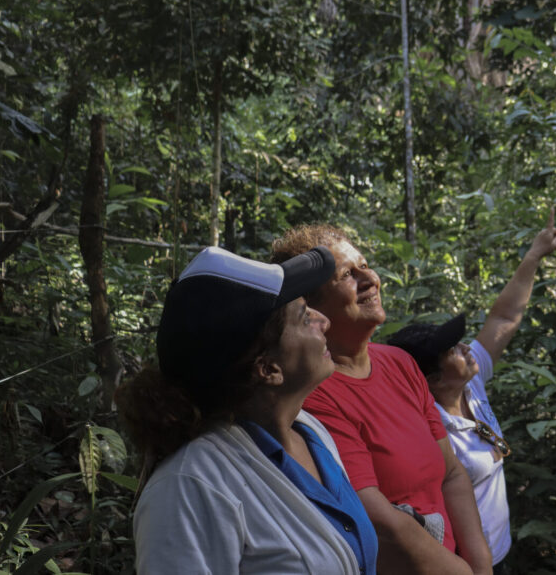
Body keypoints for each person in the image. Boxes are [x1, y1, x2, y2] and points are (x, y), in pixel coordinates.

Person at [115, 245, 378, 575]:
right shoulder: (189, 488)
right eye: (303, 316)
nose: (323, 320)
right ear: (268, 368)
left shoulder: (310, 432)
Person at [270, 228, 493, 575]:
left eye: (365, 265)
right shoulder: (314, 393)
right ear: (311, 307)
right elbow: (381, 523)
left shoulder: (399, 363)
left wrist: (481, 565)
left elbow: (451, 473)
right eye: (347, 275)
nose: (370, 279)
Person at [386, 208, 556, 571]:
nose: (466, 348)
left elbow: (503, 317)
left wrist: (534, 255)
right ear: (433, 381)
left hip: (499, 549)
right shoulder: (429, 432)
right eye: (452, 350)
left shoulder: (471, 383)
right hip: (468, 563)